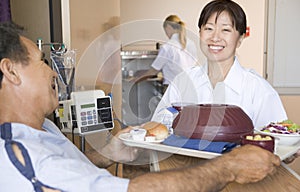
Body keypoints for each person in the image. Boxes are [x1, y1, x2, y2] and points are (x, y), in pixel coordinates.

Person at [0, 21, 281, 191]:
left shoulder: (45, 128)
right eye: (42, 61)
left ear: (241, 37)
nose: (52, 72)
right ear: (10, 71)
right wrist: (228, 167)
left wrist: (107, 153)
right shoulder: (22, 156)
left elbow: (71, 170)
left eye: (225, 30)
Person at [151, 0, 287, 129]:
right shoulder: (182, 82)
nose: (215, 37)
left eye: (226, 30)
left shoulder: (258, 90)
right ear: (200, 33)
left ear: (240, 39)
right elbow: (157, 129)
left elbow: (277, 142)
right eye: (209, 29)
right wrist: (138, 131)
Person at [132, 15, 198, 90]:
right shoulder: (191, 44)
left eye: (165, 31)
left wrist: (137, 79)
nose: (166, 34)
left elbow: (154, 71)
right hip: (190, 87)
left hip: (173, 88)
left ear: (168, 27)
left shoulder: (167, 47)